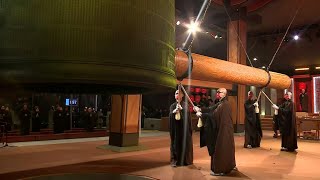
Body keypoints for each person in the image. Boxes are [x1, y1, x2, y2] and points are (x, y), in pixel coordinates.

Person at [195, 88, 236, 176]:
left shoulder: (224, 105)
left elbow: (213, 116)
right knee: (225, 148)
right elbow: (210, 109)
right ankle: (228, 166)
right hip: (224, 130)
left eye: (219, 92)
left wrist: (201, 115)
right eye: (217, 92)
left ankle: (221, 169)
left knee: (221, 149)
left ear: (224, 94)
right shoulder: (221, 103)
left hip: (223, 131)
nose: (217, 94)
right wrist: (200, 109)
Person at [169, 89, 193, 167]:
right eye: (176, 93)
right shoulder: (172, 106)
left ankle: (185, 160)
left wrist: (182, 110)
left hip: (183, 130)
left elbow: (187, 117)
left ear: (182, 95)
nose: (177, 95)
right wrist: (174, 112)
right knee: (175, 144)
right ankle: (175, 160)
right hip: (176, 129)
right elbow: (170, 117)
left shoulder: (185, 105)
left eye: (179, 93)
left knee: (184, 143)